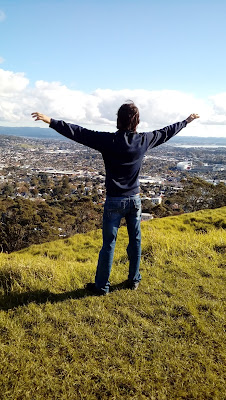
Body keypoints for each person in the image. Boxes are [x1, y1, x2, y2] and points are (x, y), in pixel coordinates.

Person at [32, 103, 199, 295]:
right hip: (134, 200)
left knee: (108, 245)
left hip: (114, 201)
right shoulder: (143, 140)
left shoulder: (108, 141)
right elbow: (165, 132)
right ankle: (134, 280)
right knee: (135, 241)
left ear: (118, 120)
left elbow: (79, 133)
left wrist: (51, 121)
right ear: (137, 121)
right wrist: (186, 122)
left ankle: (102, 286)